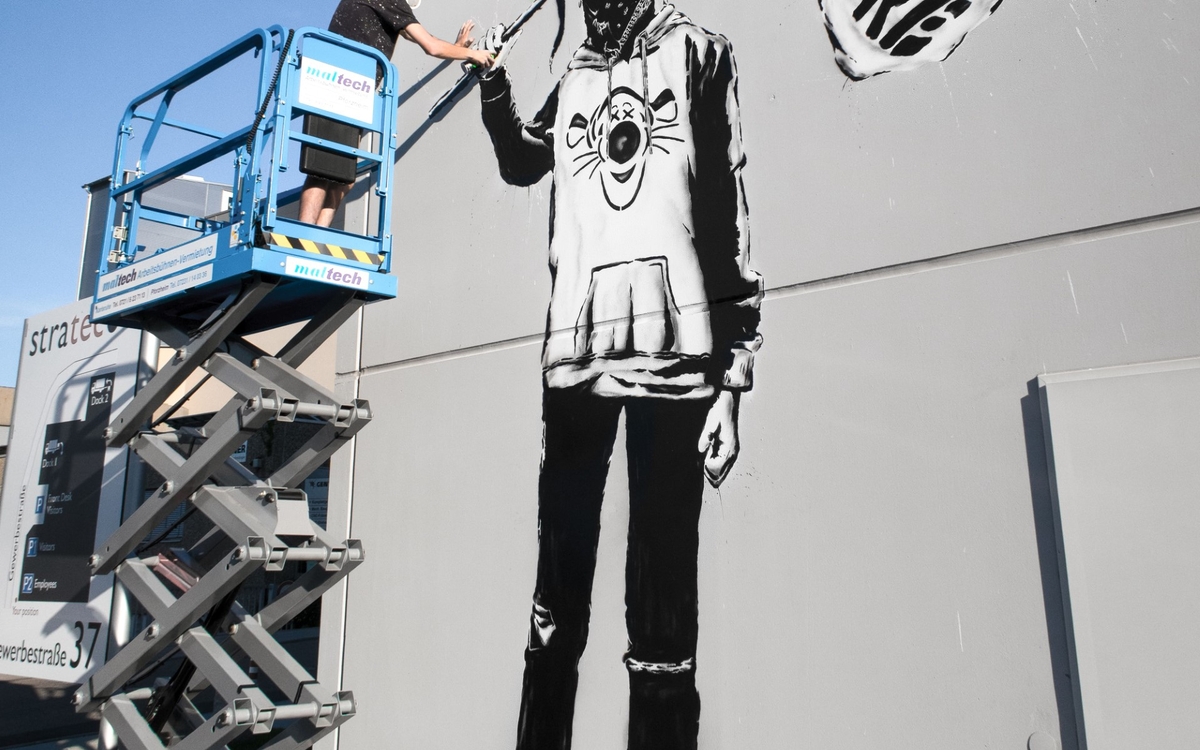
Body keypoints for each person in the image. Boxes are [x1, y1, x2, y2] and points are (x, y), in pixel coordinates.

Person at [477, 2, 763, 748]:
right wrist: (492, 81)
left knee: (663, 615)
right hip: (574, 366)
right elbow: (521, 160)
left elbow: (725, 212)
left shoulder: (699, 52)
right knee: (554, 609)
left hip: (678, 366)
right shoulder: (574, 77)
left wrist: (733, 377)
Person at [299, 0, 494, 226]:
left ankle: (315, 236)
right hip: (336, 82)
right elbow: (430, 46)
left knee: (342, 179)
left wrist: (457, 48)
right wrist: (472, 54)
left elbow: (412, 34)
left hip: (350, 88)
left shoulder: (386, 7)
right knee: (322, 168)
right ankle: (302, 235)